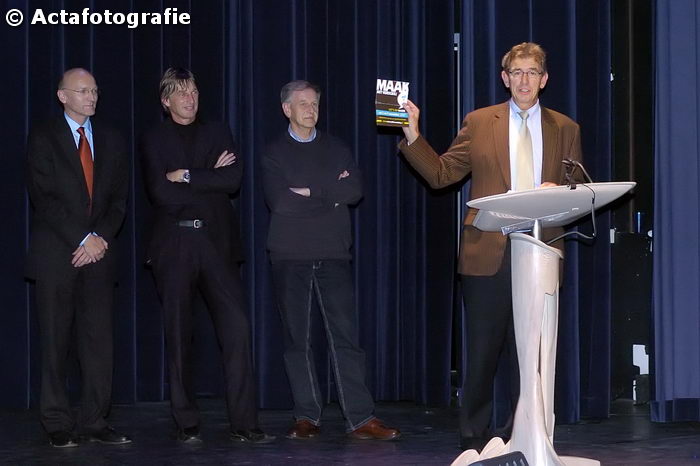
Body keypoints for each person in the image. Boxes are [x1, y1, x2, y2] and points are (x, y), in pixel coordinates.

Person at [398, 42, 583, 451]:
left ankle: (524, 433)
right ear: (505, 78)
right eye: (516, 72)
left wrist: (560, 189)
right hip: (487, 251)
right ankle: (473, 436)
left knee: (530, 354)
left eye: (532, 72)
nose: (524, 80)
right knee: (482, 351)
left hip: (540, 248)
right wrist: (412, 134)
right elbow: (442, 174)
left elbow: (578, 187)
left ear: (544, 79)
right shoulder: (480, 122)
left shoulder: (565, 128)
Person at [262, 80, 400, 441]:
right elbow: (282, 202)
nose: (311, 110)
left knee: (346, 339)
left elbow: (354, 190)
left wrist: (311, 191)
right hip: (290, 256)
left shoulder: (337, 147)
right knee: (298, 340)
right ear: (286, 109)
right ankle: (307, 416)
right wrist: (329, 192)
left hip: (334, 254)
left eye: (315, 104)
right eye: (303, 104)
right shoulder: (274, 153)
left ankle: (361, 418)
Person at [141, 67, 273, 444]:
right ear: (166, 101)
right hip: (174, 245)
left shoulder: (218, 131)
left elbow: (231, 180)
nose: (190, 98)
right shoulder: (153, 137)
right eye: (182, 93)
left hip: (217, 244)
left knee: (238, 329)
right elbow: (160, 194)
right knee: (179, 334)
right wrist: (207, 177)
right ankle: (186, 422)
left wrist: (184, 175)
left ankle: (244, 422)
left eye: (194, 91)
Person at [26, 68, 131, 448]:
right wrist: (83, 238)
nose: (91, 97)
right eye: (83, 91)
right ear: (63, 96)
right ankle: (56, 421)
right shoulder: (43, 137)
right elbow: (44, 198)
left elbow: (118, 200)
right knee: (55, 342)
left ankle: (95, 420)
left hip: (99, 256)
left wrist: (98, 239)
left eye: (95, 91)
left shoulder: (113, 139)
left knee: (99, 343)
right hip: (59, 255)